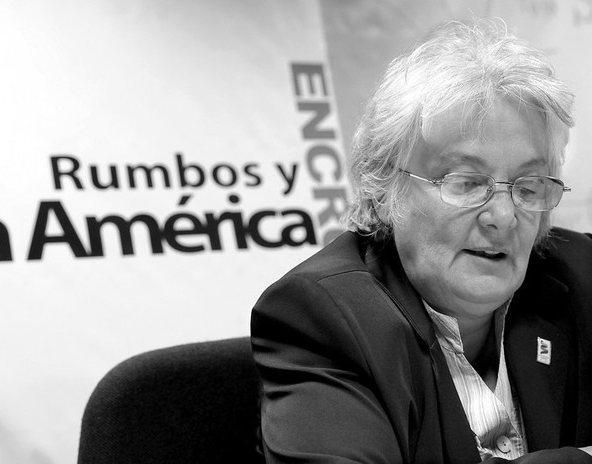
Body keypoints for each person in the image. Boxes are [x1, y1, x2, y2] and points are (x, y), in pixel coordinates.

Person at [251, 17, 592, 464]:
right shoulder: (322, 318)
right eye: (467, 182)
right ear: (386, 186)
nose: (504, 217)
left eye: (528, 187)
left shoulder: (583, 274)